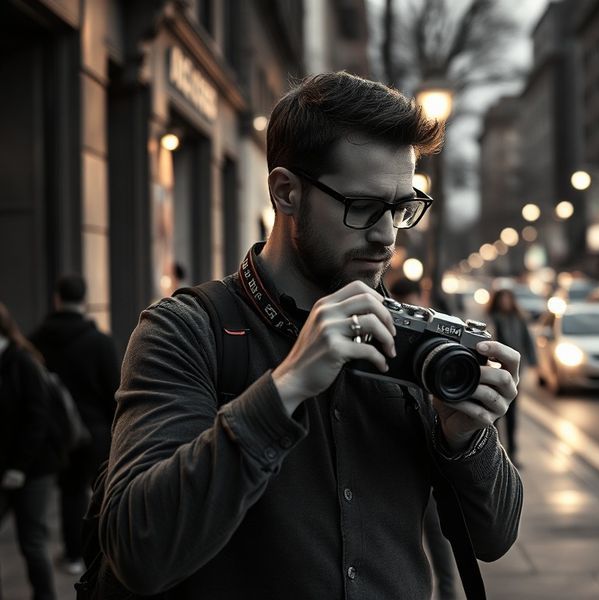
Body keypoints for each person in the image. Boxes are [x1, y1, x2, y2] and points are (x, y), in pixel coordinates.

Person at [101, 72, 523, 598]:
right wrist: (286, 388)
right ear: (286, 193)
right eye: (363, 207)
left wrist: (465, 437)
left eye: (400, 207)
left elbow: (495, 537)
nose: (386, 234)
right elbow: (139, 549)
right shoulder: (186, 331)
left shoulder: (411, 342)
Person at [29, 275, 120, 574]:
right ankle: (103, 552)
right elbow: (114, 393)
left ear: (57, 298)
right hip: (94, 432)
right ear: (84, 300)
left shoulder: (35, 342)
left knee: (70, 493)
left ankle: (72, 556)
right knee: (102, 490)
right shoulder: (100, 343)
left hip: (56, 433)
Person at [388, 275, 457, 600]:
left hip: (435, 455)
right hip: (401, 458)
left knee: (442, 540)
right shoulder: (385, 328)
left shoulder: (438, 329)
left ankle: (448, 593)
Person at [0, 303, 59, 600]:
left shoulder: (23, 362)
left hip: (34, 467)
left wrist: (19, 467)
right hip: (8, 465)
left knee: (32, 540)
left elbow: (38, 420)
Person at [486, 288, 535, 464]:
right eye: (502, 299)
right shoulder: (492, 317)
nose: (505, 302)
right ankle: (494, 453)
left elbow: (527, 340)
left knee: (512, 415)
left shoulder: (519, 318)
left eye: (508, 299)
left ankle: (513, 453)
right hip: (495, 371)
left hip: (513, 372)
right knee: (495, 413)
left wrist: (532, 361)